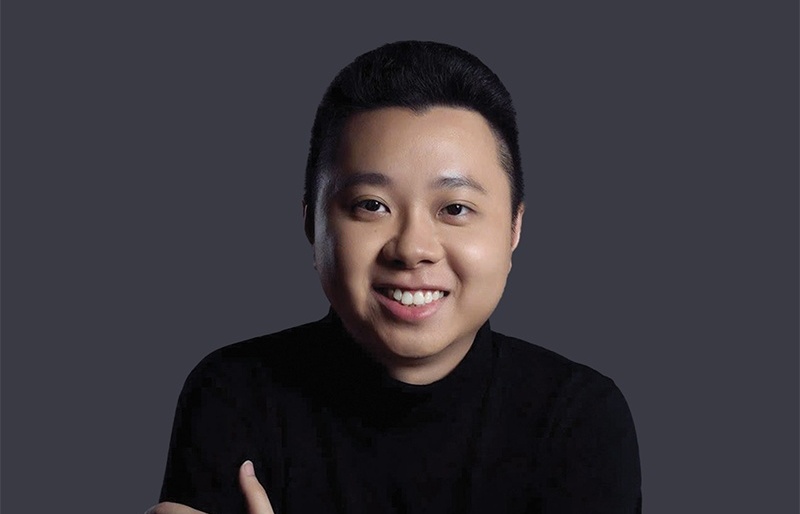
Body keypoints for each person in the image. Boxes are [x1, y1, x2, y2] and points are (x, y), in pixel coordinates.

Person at [146, 40, 641, 514]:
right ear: (312, 223)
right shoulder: (234, 394)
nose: (412, 248)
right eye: (372, 205)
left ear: (514, 228)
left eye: (455, 208)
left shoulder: (578, 418)